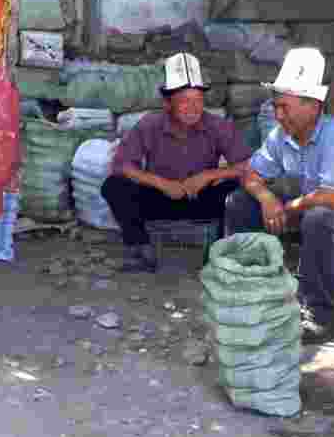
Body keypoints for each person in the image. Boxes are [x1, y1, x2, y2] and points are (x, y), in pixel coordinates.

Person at [225, 47, 334, 344]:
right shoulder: (280, 136)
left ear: (313, 105)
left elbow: (331, 198)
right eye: (276, 106)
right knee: (240, 202)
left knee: (319, 218)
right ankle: (252, 292)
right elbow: (250, 174)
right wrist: (267, 198)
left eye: (285, 107)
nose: (277, 113)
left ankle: (321, 314)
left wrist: (288, 209)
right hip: (313, 212)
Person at [102, 53, 252, 273]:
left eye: (198, 100)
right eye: (184, 101)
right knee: (114, 186)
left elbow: (248, 165)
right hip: (159, 199)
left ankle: (220, 251)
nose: (193, 108)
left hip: (200, 200)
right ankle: (141, 250)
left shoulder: (218, 126)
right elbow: (121, 165)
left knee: (240, 191)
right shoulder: (150, 125)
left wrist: (208, 176)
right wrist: (162, 184)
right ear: (167, 103)